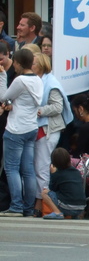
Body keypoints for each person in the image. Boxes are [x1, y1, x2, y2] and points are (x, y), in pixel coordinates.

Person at [0, 49, 43, 217]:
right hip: (31, 126)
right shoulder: (38, 80)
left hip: (16, 128)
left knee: (11, 168)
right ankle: (28, 207)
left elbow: (3, 97)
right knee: (28, 170)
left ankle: (16, 206)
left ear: (18, 63)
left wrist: (3, 77)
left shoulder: (20, 80)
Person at [32, 52, 73, 214]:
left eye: (34, 63)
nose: (31, 66)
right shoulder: (37, 81)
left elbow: (57, 107)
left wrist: (38, 111)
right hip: (39, 128)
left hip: (48, 129)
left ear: (41, 65)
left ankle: (42, 203)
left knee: (42, 167)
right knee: (38, 167)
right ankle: (39, 200)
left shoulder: (51, 83)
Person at [40, 147, 85, 220]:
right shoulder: (76, 172)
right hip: (81, 207)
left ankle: (57, 212)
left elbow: (52, 188)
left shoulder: (58, 173)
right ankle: (75, 215)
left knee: (44, 193)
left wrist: (53, 174)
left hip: (68, 207)